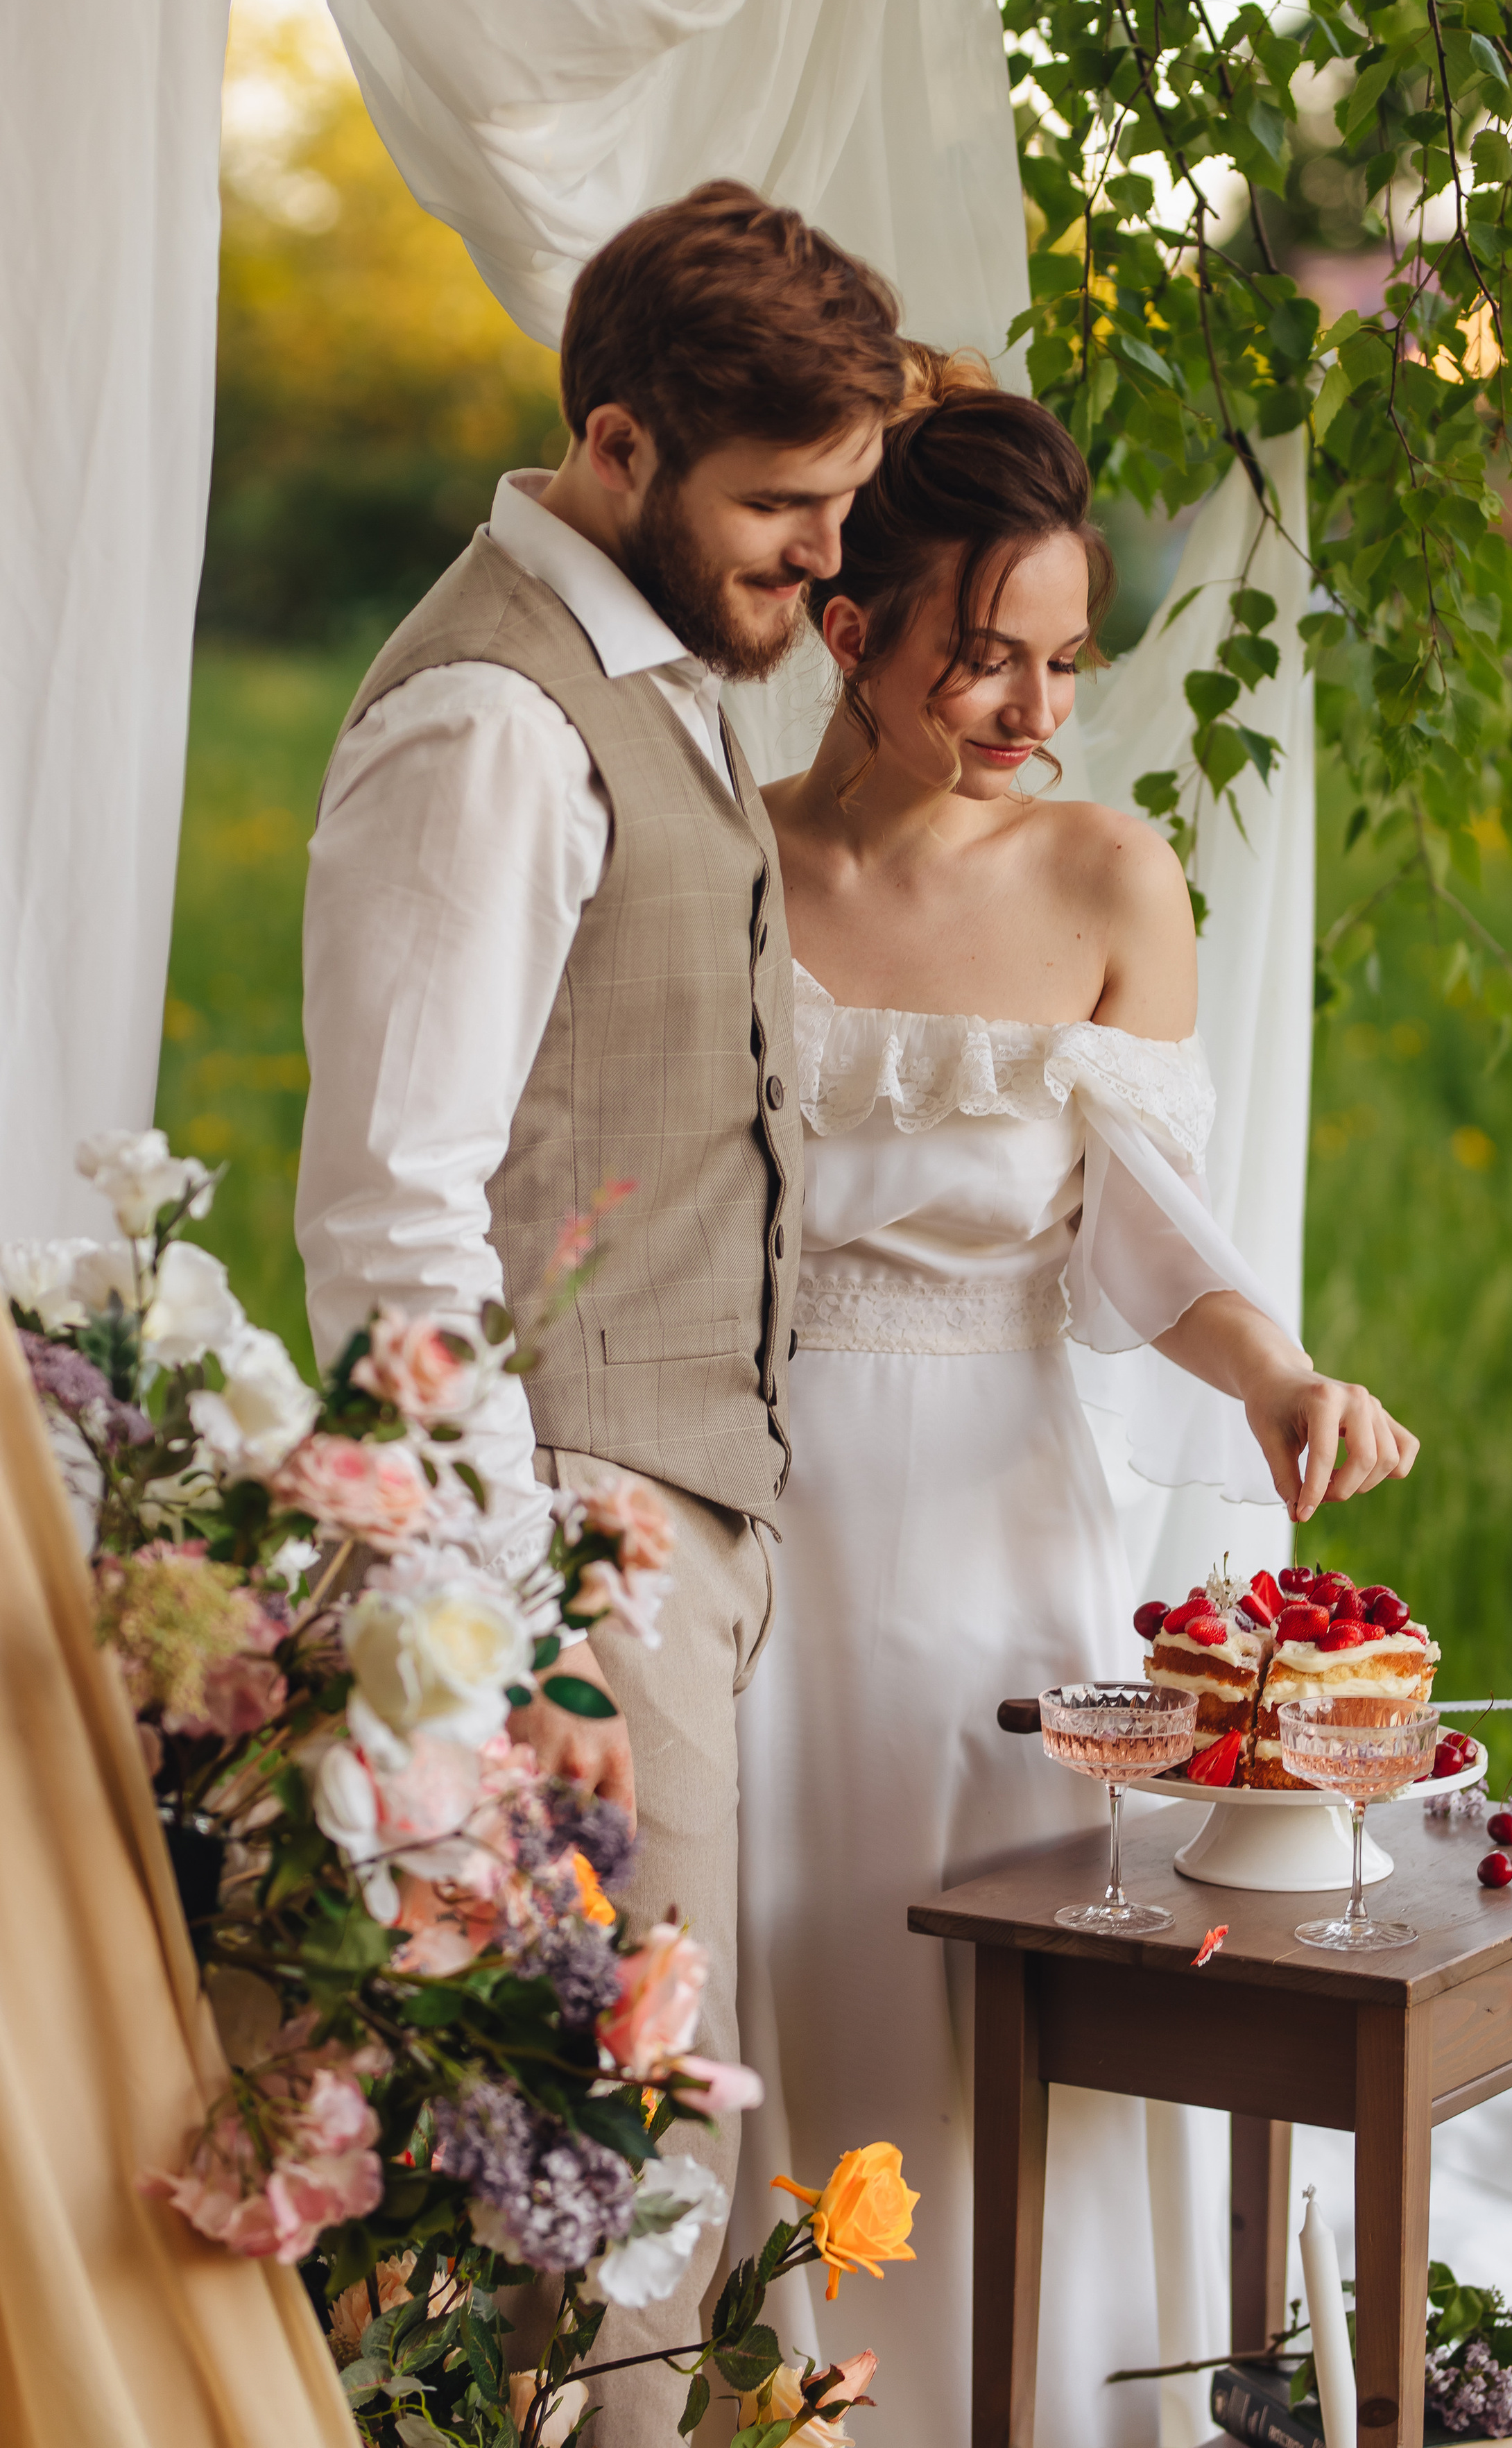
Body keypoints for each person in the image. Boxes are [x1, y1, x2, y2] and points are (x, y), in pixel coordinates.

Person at [728, 352, 1419, 2445]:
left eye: (1065, 662)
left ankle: (1019, 2406)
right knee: (776, 1945)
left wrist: (1282, 1369)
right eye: (983, 662)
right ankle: (763, 2396)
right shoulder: (727, 864)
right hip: (756, 1512)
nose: (1038, 712)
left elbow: (1150, 1224)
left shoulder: (1112, 881)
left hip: (995, 1518)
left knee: (982, 1975)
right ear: (850, 635)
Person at [293, 182, 904, 2440]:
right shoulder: (492, 724)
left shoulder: (653, 674)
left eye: (843, 509)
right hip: (565, 1541)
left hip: (668, 1521)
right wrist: (512, 1640)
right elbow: (391, 1215)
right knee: (621, 2179)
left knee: (637, 2165)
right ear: (625, 449)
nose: (822, 568)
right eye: (782, 509)